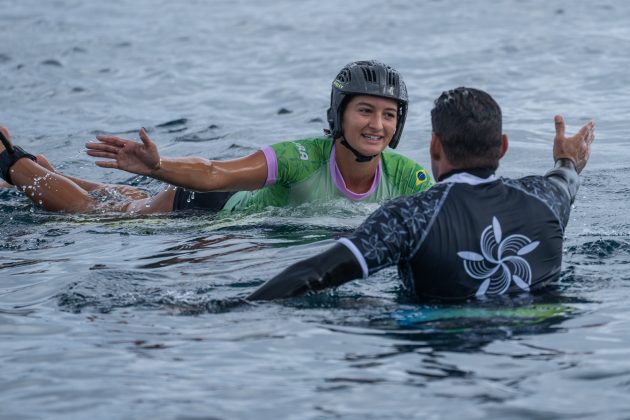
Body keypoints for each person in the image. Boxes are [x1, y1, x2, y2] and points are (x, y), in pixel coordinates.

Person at [247, 87, 595, 301]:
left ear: (434, 145)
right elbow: (566, 175)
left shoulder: (408, 217)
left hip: (434, 348)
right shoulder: (546, 199)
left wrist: (229, 309)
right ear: (503, 147)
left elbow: (316, 273)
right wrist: (566, 156)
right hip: (536, 343)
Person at [0, 60, 432, 214]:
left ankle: (47, 173)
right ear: (339, 115)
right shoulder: (301, 156)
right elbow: (213, 172)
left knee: (122, 198)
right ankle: (10, 160)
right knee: (97, 212)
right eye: (365, 110)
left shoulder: (410, 180)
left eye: (389, 114)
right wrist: (158, 167)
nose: (377, 125)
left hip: (232, 213)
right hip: (207, 205)